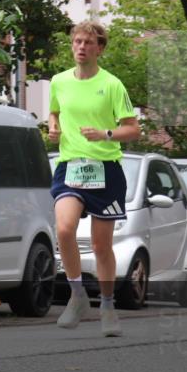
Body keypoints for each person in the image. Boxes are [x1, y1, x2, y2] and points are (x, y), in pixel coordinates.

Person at [48, 20, 139, 337]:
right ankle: (77, 296)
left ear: (99, 48)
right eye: (77, 42)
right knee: (64, 228)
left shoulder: (112, 85)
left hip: (105, 169)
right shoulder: (59, 82)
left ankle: (109, 305)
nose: (81, 47)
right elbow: (55, 110)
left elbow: (133, 128)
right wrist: (53, 125)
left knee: (102, 246)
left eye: (88, 42)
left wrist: (106, 133)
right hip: (71, 165)